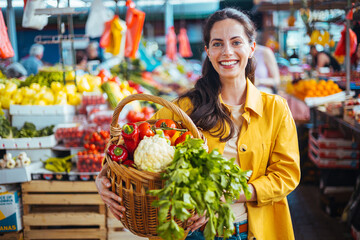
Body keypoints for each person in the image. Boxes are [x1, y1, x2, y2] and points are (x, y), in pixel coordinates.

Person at [96, 7, 300, 240]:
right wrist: (102, 177)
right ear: (208, 51)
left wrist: (227, 195)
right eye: (217, 44)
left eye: (236, 42)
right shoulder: (184, 108)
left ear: (251, 48)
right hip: (191, 233)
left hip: (252, 231)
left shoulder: (276, 109)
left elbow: (286, 175)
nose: (227, 51)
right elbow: (132, 144)